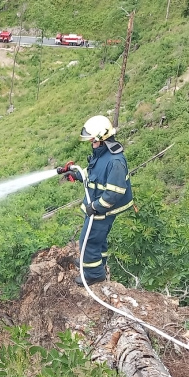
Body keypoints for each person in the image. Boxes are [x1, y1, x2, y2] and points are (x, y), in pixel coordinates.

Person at [56, 115, 134, 286]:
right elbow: (93, 172)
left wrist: (96, 207)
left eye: (93, 140)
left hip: (103, 209)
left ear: (102, 138)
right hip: (96, 205)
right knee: (98, 239)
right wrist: (76, 174)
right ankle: (96, 262)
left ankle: (94, 274)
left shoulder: (115, 162)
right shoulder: (102, 154)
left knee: (89, 240)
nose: (91, 143)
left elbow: (114, 193)